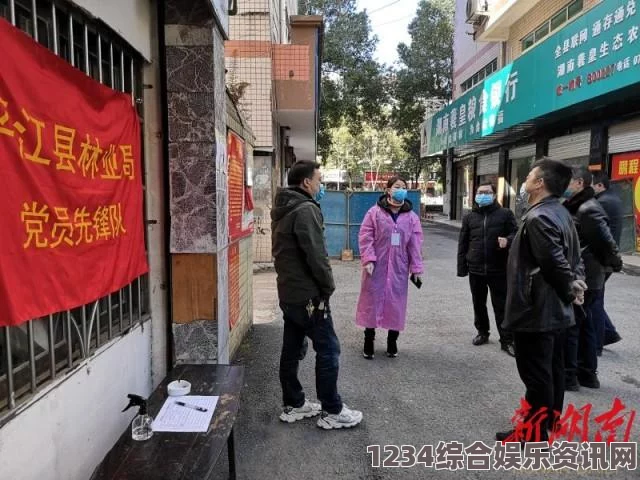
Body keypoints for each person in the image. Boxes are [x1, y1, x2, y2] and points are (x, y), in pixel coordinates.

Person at [497, 158, 586, 443]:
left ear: (540, 183)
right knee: (551, 370)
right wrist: (576, 284)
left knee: (536, 375)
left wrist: (572, 288)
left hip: (536, 310)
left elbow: (556, 263)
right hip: (554, 310)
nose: (524, 181)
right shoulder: (559, 213)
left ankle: (533, 433)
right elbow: (575, 258)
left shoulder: (540, 217)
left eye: (529, 176)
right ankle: (548, 421)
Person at [271, 160, 363, 430]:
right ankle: (332, 409)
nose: (321, 185)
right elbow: (316, 255)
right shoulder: (305, 209)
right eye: (319, 180)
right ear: (306, 182)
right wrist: (327, 287)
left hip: (289, 292)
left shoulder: (283, 207)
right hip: (309, 296)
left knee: (291, 349)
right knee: (329, 350)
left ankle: (294, 404)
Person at [562, 167, 622, 390]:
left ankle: (572, 375)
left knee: (575, 325)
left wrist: (613, 264)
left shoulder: (588, 208)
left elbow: (606, 241)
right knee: (584, 323)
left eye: (568, 183)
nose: (565, 187)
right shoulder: (579, 206)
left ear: (579, 183)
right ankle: (587, 374)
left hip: (587, 274)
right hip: (587, 272)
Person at [356, 176, 424, 359]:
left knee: (396, 304)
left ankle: (392, 342)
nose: (400, 189)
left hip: (399, 267)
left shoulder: (411, 217)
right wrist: (368, 259)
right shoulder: (375, 213)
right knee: (371, 302)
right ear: (388, 190)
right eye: (396, 186)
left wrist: (416, 268)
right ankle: (368, 340)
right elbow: (365, 236)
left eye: (403, 187)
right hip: (376, 265)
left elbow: (415, 244)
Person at [457, 182, 518, 356]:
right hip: (475, 268)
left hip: (498, 268)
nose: (483, 194)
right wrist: (462, 267)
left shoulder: (505, 214)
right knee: (479, 303)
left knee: (501, 305)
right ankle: (482, 332)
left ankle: (507, 340)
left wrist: (508, 240)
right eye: (480, 192)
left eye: (487, 192)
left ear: (493, 195)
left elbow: (516, 233)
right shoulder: (470, 217)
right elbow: (463, 242)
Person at [592, 172, 623, 353]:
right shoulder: (613, 199)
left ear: (600, 186)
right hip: (608, 258)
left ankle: (597, 343)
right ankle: (608, 333)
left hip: (601, 260)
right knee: (595, 299)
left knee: (594, 301)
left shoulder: (603, 203)